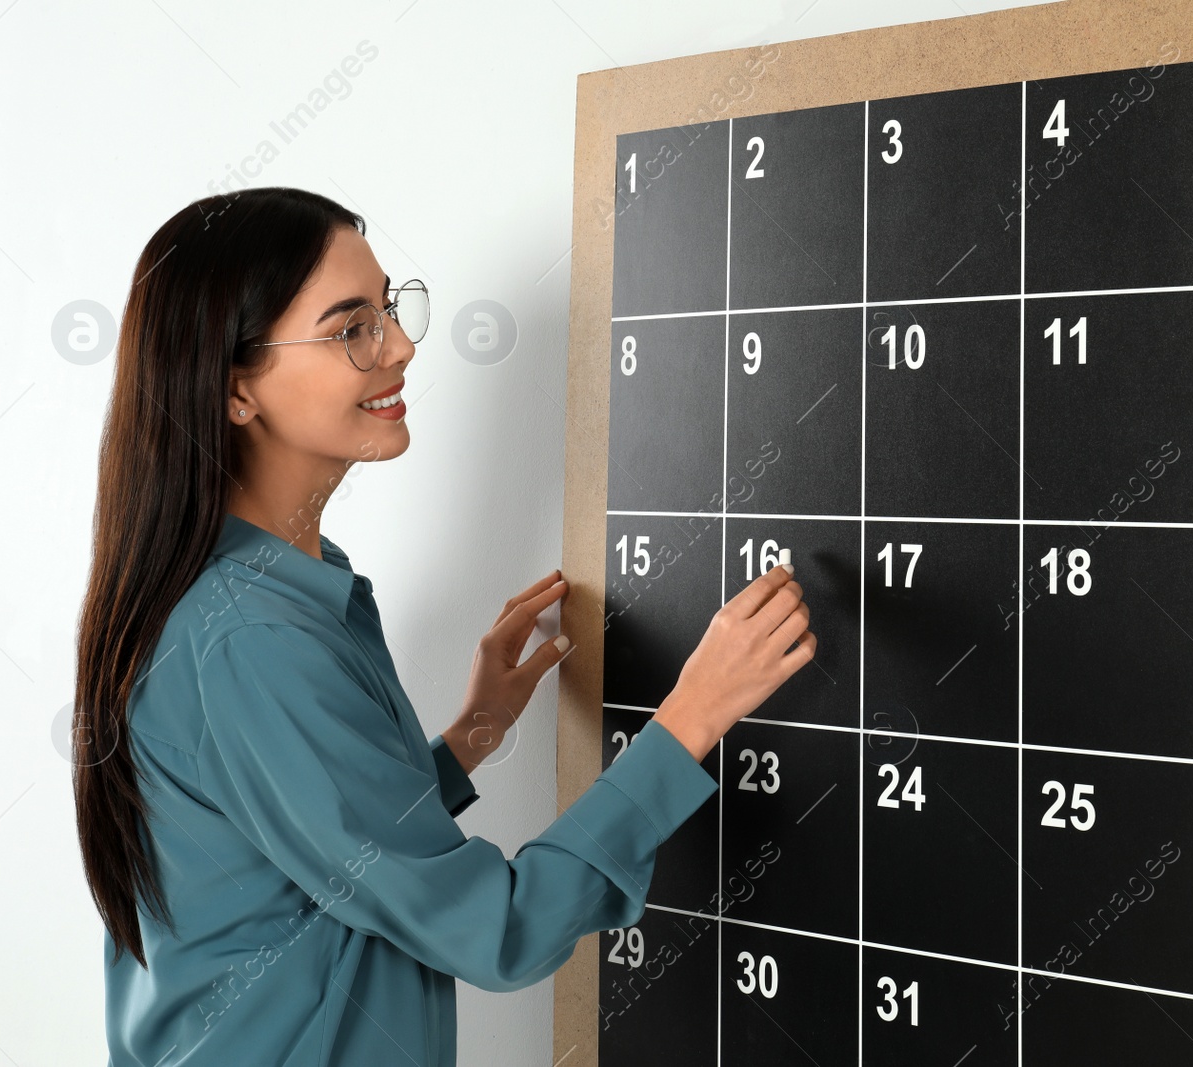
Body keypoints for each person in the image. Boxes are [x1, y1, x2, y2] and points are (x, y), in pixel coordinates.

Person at [72, 186, 816, 1066]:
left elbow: (311, 863)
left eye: (388, 308)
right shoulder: (251, 638)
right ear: (237, 389)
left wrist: (468, 738)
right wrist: (690, 719)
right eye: (351, 328)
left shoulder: (278, 590)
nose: (401, 344)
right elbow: (498, 931)